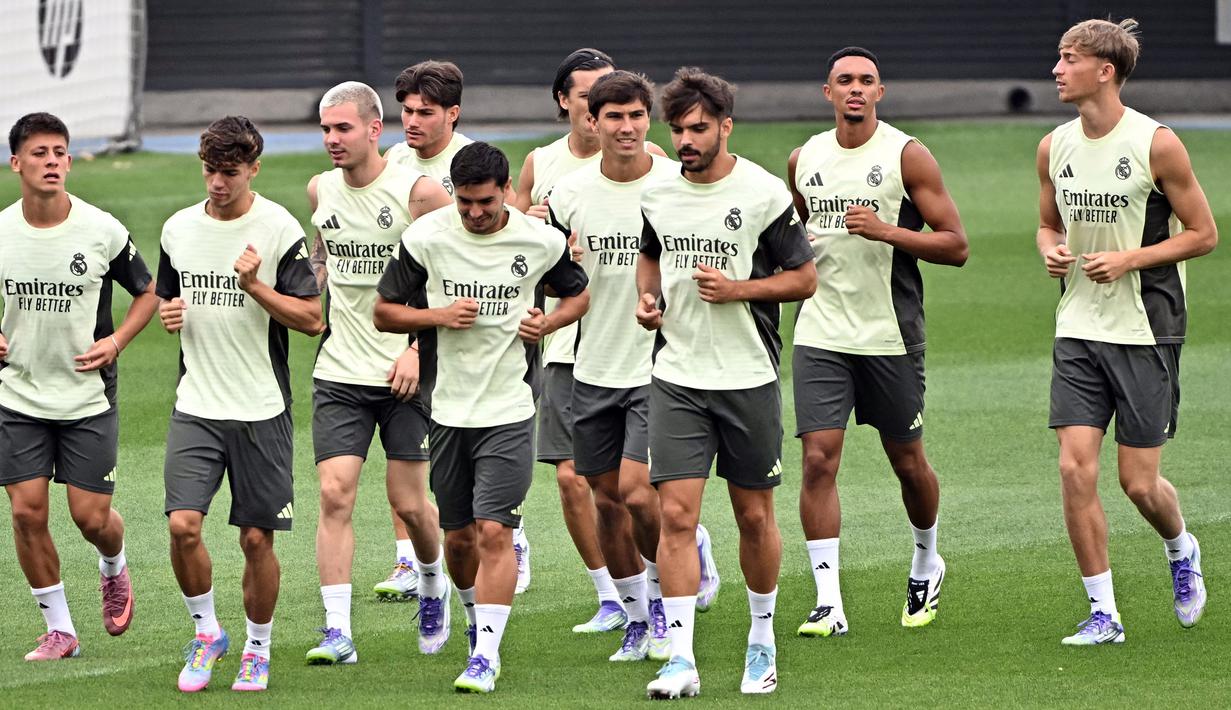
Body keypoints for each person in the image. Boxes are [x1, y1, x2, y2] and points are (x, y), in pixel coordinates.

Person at [375, 141, 589, 692]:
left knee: (496, 530)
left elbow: (578, 296)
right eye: (465, 202)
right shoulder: (425, 238)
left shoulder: (538, 240)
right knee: (461, 538)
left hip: (511, 409)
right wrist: (438, 315)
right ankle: (473, 622)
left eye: (486, 203)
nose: (474, 213)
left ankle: (486, 655)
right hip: (445, 409)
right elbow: (384, 311)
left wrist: (551, 323)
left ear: (506, 191)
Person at [1036, 18, 1216, 645]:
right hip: (1078, 327)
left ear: (1104, 71)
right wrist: (1052, 249)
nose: (1056, 69)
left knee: (1138, 482)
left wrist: (1130, 259)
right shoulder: (1052, 145)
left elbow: (1204, 234)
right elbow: (1047, 225)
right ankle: (1103, 612)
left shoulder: (1156, 143)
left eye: (1067, 58)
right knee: (1073, 469)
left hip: (1146, 327)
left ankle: (1180, 547)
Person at [637, 68, 816, 698]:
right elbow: (652, 252)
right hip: (676, 375)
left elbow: (803, 279)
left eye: (698, 129)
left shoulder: (764, 194)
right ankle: (680, 659)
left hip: (747, 376)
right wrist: (647, 298)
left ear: (725, 127)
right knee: (676, 515)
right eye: (678, 129)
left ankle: (761, 638)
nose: (685, 140)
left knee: (753, 515)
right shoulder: (658, 194)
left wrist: (739, 289)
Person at [786, 47, 969, 638]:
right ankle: (827, 602)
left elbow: (956, 245)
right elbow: (793, 238)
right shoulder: (804, 158)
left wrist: (888, 231)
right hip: (820, 332)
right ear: (828, 93)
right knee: (817, 458)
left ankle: (925, 559)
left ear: (880, 93)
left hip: (889, 332)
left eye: (867, 81)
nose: (856, 90)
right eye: (846, 81)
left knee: (907, 461)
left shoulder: (906, 154)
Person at [158, 116, 323, 692]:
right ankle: (207, 633)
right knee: (183, 526)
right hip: (196, 404)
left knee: (256, 539)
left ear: (254, 168)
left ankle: (258, 647)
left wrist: (255, 286)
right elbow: (167, 298)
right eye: (209, 171)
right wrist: (168, 314)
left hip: (260, 408)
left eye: (229, 173)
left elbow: (311, 319)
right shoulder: (177, 229)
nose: (217, 184)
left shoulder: (277, 227)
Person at [305, 81, 454, 664]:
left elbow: (451, 273)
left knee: (411, 503)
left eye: (342, 128)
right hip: (340, 371)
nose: (332, 140)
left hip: (405, 375)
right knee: (334, 492)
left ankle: (433, 581)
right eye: (325, 129)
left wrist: (418, 346)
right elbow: (323, 260)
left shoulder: (417, 194)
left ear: (374, 129)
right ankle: (337, 632)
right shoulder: (320, 189)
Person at [1, 112, 157, 661]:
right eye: (39, 153)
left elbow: (147, 291)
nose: (51, 162)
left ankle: (113, 564)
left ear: (69, 161)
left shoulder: (101, 229)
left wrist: (115, 343)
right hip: (17, 396)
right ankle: (60, 628)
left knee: (90, 518)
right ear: (17, 163)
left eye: (59, 152)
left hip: (88, 396)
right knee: (26, 512)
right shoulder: (2, 231)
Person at [548, 70, 685, 663]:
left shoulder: (678, 185)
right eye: (614, 117)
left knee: (636, 491)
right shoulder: (569, 194)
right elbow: (550, 272)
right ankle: (633, 614)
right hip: (591, 365)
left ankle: (661, 597)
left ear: (647, 120)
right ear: (592, 121)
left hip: (659, 368)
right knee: (603, 495)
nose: (626, 127)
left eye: (636, 116)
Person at [373, 60, 473, 602]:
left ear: (452, 114)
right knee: (404, 444)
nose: (411, 121)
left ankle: (509, 531)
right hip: (410, 317)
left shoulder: (471, 165)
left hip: (458, 328)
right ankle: (409, 560)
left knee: (466, 436)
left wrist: (417, 345)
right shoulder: (393, 161)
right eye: (405, 110)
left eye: (424, 112)